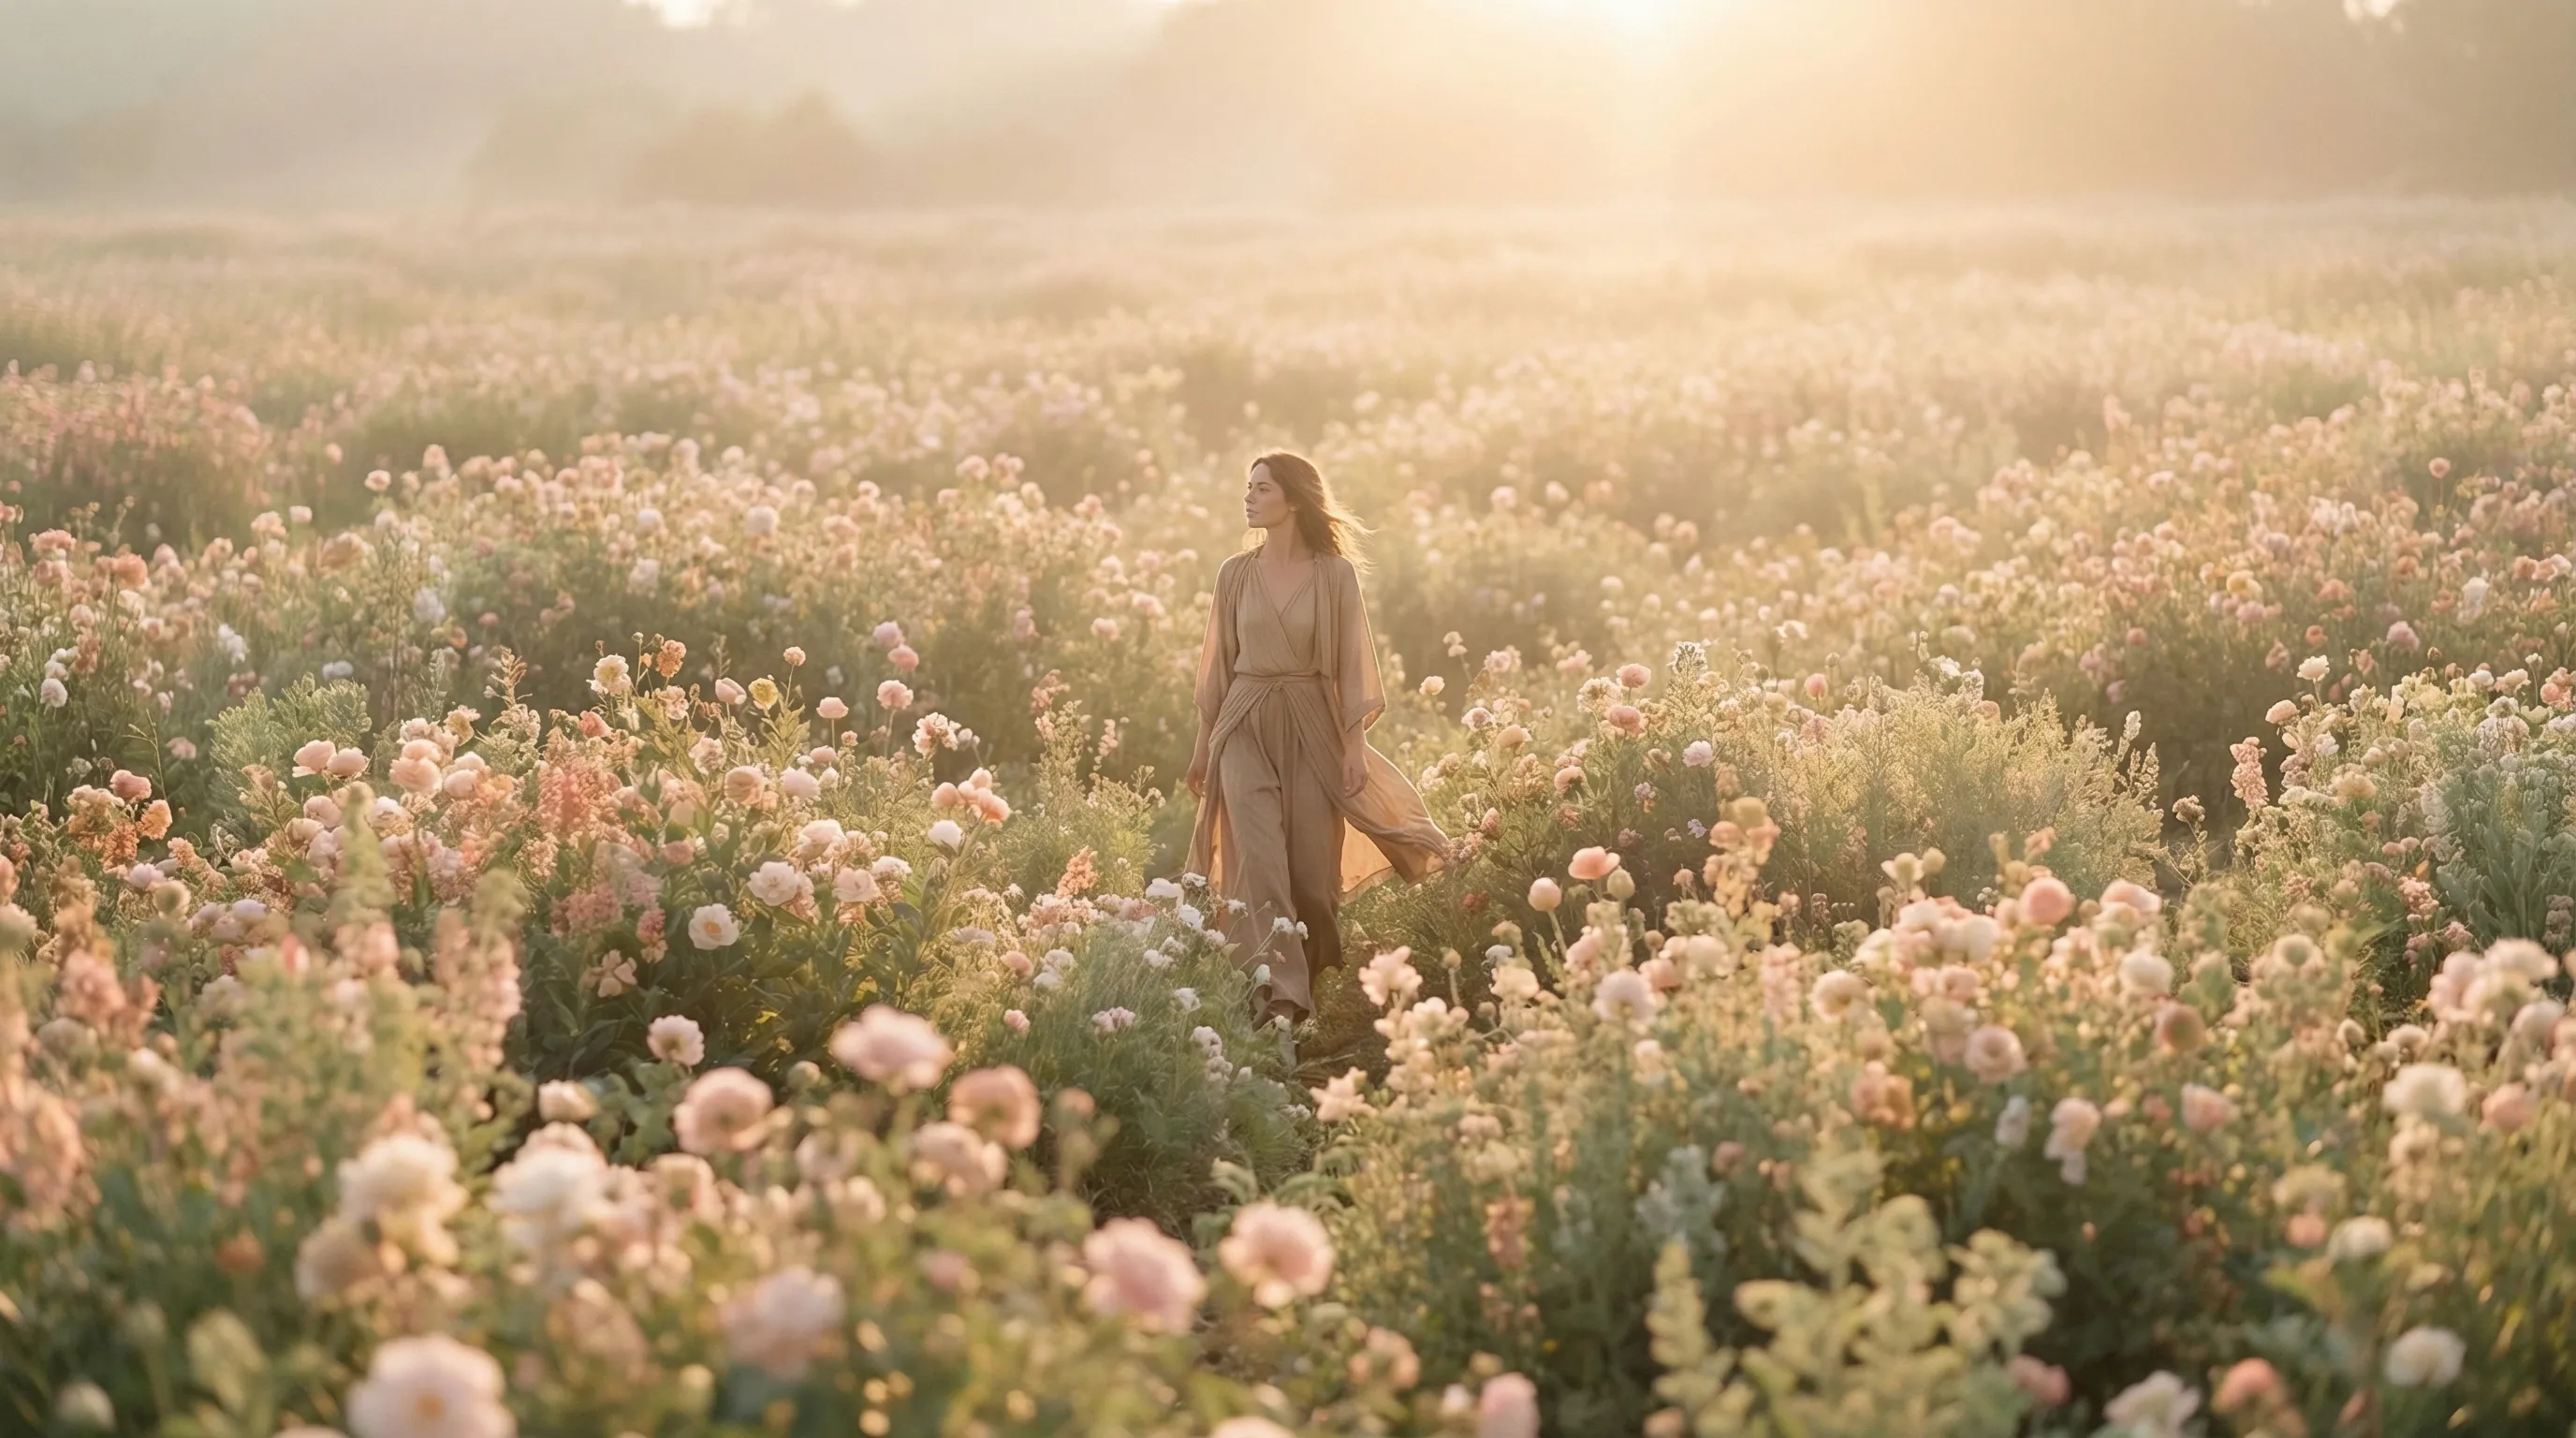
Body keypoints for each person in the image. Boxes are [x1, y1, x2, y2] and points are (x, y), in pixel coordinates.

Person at [1185, 451, 1452, 1032]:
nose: (1249, 498)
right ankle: (1276, 1005)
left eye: (1262, 489)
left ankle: (1310, 987)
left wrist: (1352, 746)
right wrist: (1205, 744)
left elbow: (1351, 668)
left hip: (1311, 723)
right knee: (1257, 866)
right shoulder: (1234, 574)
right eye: (1247, 487)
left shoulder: (1335, 575)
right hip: (1244, 723)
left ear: (1296, 500)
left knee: (1311, 880)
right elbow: (1217, 669)